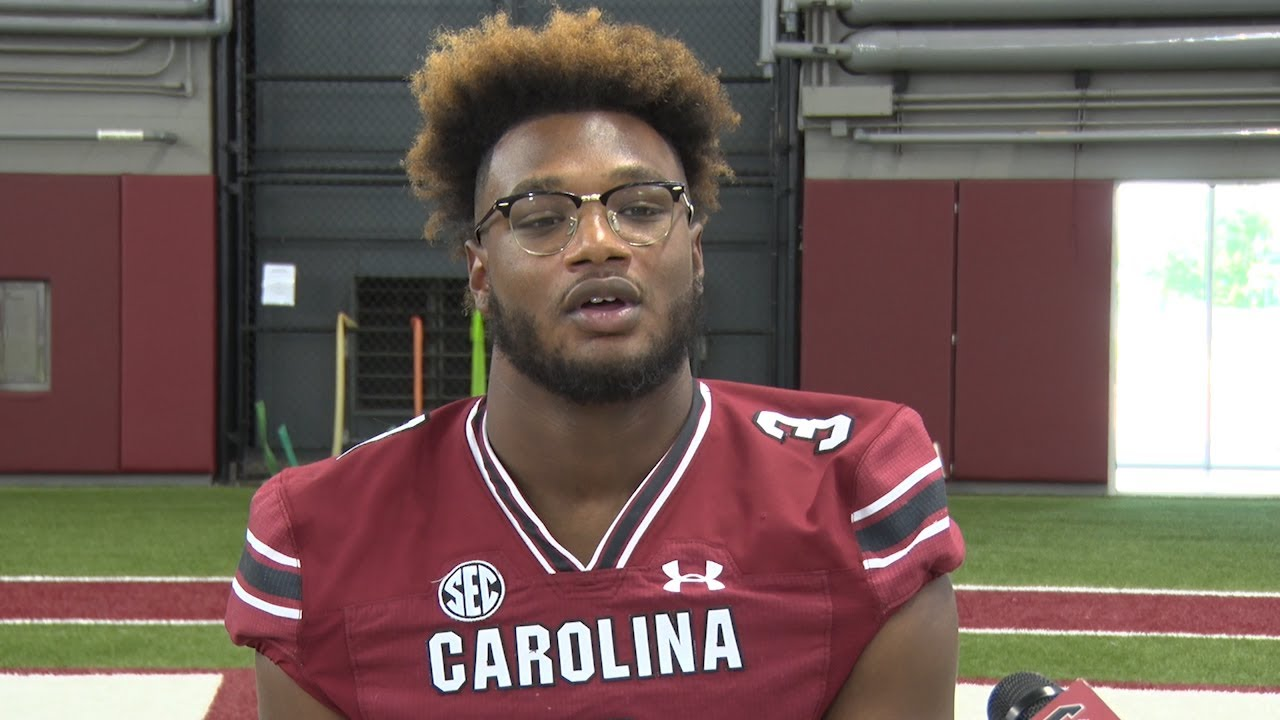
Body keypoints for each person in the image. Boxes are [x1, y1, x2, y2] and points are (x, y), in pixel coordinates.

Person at [226, 8, 964, 719]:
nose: (600, 242)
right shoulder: (320, 537)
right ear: (479, 274)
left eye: (641, 208)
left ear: (696, 252)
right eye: (543, 218)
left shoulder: (855, 493)